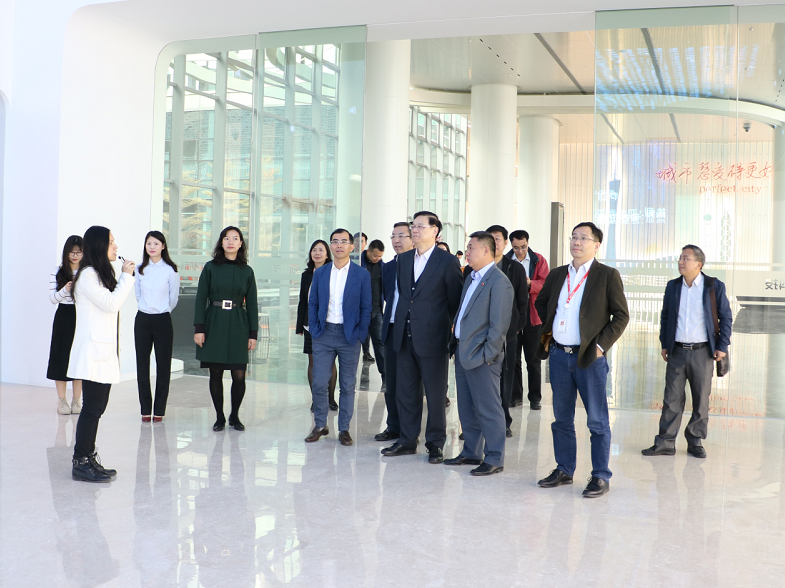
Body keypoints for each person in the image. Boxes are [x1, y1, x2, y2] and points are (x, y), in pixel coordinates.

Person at [536, 222, 629, 498]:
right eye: (574, 237)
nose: (576, 242)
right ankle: (564, 469)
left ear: (596, 245)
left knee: (597, 420)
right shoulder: (557, 274)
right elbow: (542, 303)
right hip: (559, 356)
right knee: (561, 419)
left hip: (589, 358)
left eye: (583, 238)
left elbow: (621, 316)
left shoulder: (607, 275)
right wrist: (552, 330)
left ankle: (600, 475)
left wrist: (600, 346)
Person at [382, 211, 463, 464]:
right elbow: (404, 297)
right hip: (404, 337)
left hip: (433, 338)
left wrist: (450, 336)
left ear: (435, 231)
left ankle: (435, 444)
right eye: (413, 226)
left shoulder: (447, 261)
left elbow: (455, 302)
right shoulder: (404, 259)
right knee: (406, 392)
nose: (414, 230)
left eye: (420, 226)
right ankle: (407, 440)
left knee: (436, 395)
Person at [642, 245, 732, 459]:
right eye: (680, 258)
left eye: (686, 258)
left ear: (699, 264)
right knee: (671, 398)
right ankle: (665, 442)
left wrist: (722, 346)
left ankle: (695, 441)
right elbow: (665, 316)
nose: (680, 262)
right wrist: (665, 343)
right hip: (677, 351)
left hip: (703, 352)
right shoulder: (673, 286)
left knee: (701, 399)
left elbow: (726, 317)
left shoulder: (713, 286)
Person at [68, 226, 136, 482]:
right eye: (111, 242)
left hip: (103, 352)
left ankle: (89, 457)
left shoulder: (97, 273)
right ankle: (80, 462)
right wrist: (126, 277)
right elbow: (111, 303)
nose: (116, 246)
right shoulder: (87, 275)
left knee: (97, 409)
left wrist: (123, 277)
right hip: (93, 352)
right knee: (91, 409)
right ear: (98, 245)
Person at [445, 232, 513, 476]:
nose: (467, 252)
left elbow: (499, 325)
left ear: (486, 250)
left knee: (488, 409)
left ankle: (494, 457)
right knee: (467, 408)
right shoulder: (471, 277)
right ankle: (471, 452)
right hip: (464, 352)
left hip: (483, 358)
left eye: (471, 247)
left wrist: (487, 355)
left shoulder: (499, 281)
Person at [306, 228, 371, 446]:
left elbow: (367, 306)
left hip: (349, 335)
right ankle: (320, 425)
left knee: (347, 385)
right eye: (335, 241)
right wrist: (314, 328)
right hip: (323, 333)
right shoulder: (321, 273)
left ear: (352, 246)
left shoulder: (361, 275)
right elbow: (313, 302)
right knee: (319, 382)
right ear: (331, 246)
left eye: (344, 241)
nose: (339, 245)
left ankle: (344, 429)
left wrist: (361, 333)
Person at [194, 226, 259, 432]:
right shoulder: (210, 267)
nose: (230, 242)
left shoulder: (247, 271)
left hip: (239, 323)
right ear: (221, 242)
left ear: (241, 244)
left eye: (235, 238)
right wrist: (199, 328)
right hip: (214, 322)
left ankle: (234, 415)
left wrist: (253, 333)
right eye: (226, 238)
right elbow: (200, 299)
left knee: (239, 375)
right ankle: (219, 417)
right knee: (215, 372)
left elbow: (253, 304)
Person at [486, 225, 528, 437]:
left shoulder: (515, 269)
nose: (494, 243)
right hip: (481, 334)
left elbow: (522, 303)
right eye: (490, 239)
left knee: (505, 378)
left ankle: (503, 421)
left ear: (505, 243)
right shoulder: (476, 267)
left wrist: (515, 329)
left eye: (498, 239)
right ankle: (478, 423)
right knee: (481, 379)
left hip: (507, 334)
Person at [134, 230, 179, 423]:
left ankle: (159, 410)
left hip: (162, 320)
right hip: (142, 320)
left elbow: (173, 298)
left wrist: (162, 310)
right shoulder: (139, 269)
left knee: (163, 366)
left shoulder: (170, 270)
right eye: (149, 243)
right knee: (142, 365)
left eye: (156, 243)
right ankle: (145, 409)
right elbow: (137, 294)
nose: (152, 247)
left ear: (163, 246)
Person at [374, 222, 414, 442]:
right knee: (391, 383)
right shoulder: (388, 267)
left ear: (413, 238)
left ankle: (409, 431)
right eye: (393, 236)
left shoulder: (419, 265)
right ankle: (393, 426)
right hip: (390, 328)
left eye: (401, 236)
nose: (396, 240)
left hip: (412, 330)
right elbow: (387, 297)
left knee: (409, 384)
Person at [507, 229, 550, 410]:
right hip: (513, 316)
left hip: (533, 317)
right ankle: (515, 396)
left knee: (533, 360)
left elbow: (546, 283)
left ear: (528, 243)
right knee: (513, 359)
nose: (520, 251)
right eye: (516, 248)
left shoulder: (538, 260)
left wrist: (530, 283)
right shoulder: (506, 261)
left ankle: (535, 398)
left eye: (523, 247)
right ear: (511, 245)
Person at [296, 240, 338, 411]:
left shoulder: (333, 272)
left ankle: (330, 398)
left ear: (327, 254)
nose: (317, 253)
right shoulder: (306, 275)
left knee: (329, 362)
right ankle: (316, 400)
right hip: (310, 324)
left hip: (329, 323)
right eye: (314, 250)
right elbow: (302, 300)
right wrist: (299, 325)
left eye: (321, 250)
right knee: (313, 361)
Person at [48, 235, 84, 415]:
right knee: (60, 358)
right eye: (72, 252)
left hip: (82, 316)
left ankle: (77, 400)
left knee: (79, 358)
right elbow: (52, 299)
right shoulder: (58, 271)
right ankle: (62, 401)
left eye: (79, 252)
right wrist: (66, 289)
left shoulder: (87, 272)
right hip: (63, 315)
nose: (75, 256)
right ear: (66, 252)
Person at [361, 239, 386, 387]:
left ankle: (386, 377)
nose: (377, 258)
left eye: (380, 256)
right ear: (368, 251)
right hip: (360, 312)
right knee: (353, 344)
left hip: (376, 311)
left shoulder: (382, 266)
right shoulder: (358, 263)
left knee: (380, 344)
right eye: (375, 255)